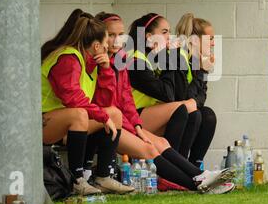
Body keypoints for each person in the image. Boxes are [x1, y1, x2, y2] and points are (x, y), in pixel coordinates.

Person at [92, 12, 235, 194]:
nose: (117, 40)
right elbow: (169, 96)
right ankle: (197, 183)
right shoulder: (133, 59)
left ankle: (200, 176)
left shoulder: (123, 59)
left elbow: (129, 99)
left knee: (165, 139)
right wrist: (171, 60)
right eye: (165, 32)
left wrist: (136, 127)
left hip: (130, 119)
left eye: (120, 35)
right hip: (115, 120)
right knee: (178, 115)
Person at [41, 9, 134, 195]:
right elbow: (72, 97)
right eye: (106, 41)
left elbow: (106, 102)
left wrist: (107, 69)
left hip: (63, 123)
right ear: (97, 46)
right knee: (80, 113)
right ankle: (77, 180)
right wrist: (101, 116)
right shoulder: (68, 57)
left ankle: (103, 177)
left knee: (114, 113)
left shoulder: (88, 61)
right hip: (40, 123)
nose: (110, 46)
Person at [126, 13, 202, 157]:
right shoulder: (136, 62)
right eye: (164, 32)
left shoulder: (154, 56)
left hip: (151, 114)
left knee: (195, 114)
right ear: (149, 37)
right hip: (133, 116)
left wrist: (171, 56)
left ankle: (183, 164)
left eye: (169, 32)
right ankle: (171, 167)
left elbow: (179, 94)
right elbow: (168, 96)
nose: (169, 37)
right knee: (181, 109)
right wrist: (167, 61)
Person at [174, 13, 218, 168]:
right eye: (210, 39)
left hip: (186, 110)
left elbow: (201, 98)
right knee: (196, 114)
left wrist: (201, 69)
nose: (213, 43)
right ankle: (182, 165)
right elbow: (185, 96)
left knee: (208, 115)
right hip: (170, 113)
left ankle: (195, 165)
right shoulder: (180, 58)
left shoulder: (197, 61)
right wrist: (200, 71)